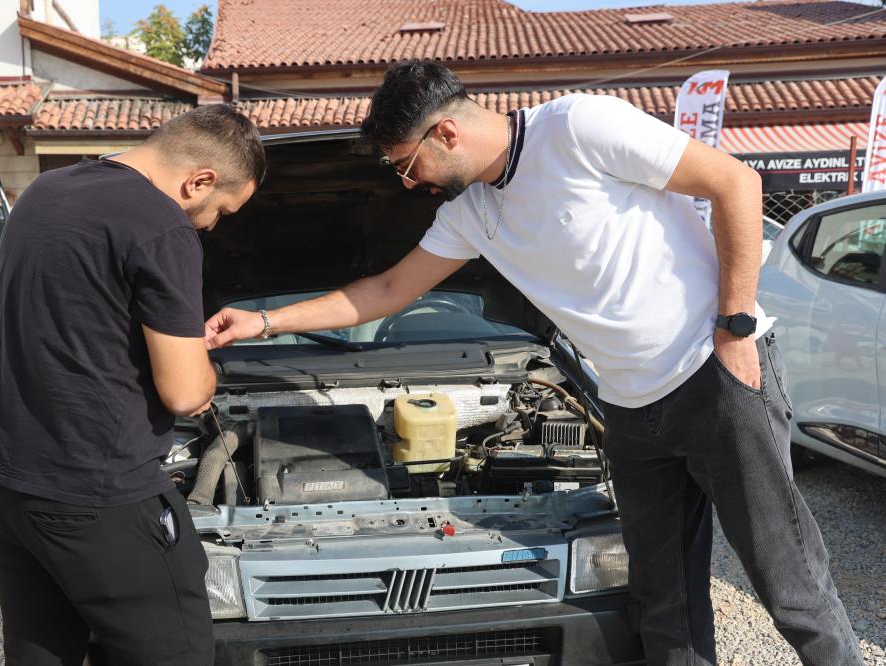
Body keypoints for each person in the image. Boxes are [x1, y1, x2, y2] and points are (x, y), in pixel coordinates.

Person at [203, 62, 862, 666]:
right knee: (664, 603)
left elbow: (734, 182)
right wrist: (262, 320)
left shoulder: (579, 126)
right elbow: (383, 292)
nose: (408, 184)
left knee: (788, 583)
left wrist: (735, 324)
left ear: (448, 132)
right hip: (628, 408)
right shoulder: (472, 213)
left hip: (713, 377)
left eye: (406, 166)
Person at [0, 104, 265, 665]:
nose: (213, 224)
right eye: (222, 210)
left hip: (2, 486)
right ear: (198, 180)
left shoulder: (44, 192)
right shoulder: (160, 223)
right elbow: (184, 393)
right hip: (94, 495)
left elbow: (53, 319)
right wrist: (205, 367)